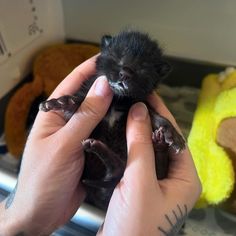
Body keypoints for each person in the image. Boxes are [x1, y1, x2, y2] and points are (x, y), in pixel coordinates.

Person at [0, 55, 201, 236]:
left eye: (140, 68)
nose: (125, 72)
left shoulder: (136, 101)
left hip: (112, 180)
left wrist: (18, 217)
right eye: (119, 61)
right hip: (102, 182)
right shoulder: (96, 88)